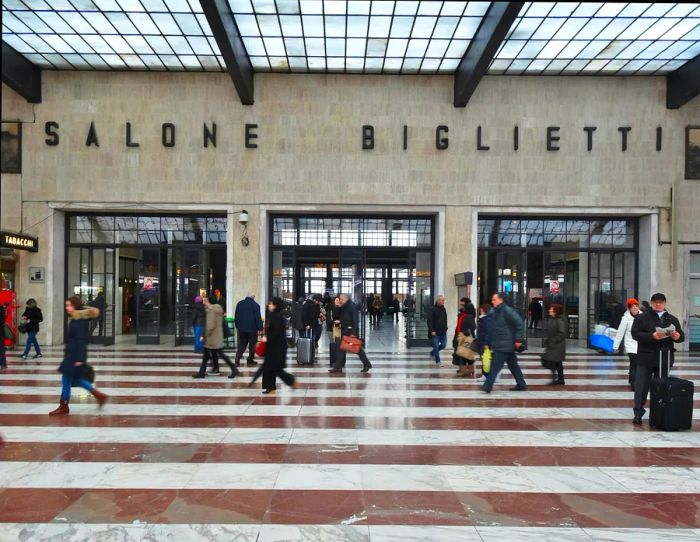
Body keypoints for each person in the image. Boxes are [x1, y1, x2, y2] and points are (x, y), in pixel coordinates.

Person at [630, 292, 684, 425]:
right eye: (655, 302)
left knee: (662, 387)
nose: (658, 304)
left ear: (665, 303)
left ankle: (659, 413)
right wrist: (652, 336)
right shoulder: (642, 318)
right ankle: (638, 413)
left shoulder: (671, 319)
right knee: (641, 387)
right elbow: (635, 334)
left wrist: (678, 337)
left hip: (664, 357)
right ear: (652, 303)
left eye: (660, 302)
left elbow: (681, 335)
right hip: (646, 358)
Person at [49, 296, 107, 415]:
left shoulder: (79, 320)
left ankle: (63, 406)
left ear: (75, 306)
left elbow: (81, 340)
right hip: (72, 354)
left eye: (69, 305)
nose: (67, 308)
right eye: (66, 305)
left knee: (66, 380)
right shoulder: (76, 318)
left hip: (74, 356)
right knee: (76, 380)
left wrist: (80, 358)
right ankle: (99, 395)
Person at [482, 293, 527, 394]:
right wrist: (488, 341)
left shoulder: (507, 311)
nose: (492, 301)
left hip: (504, 343)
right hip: (501, 343)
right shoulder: (494, 311)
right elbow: (492, 328)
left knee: (495, 365)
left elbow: (519, 323)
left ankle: (488, 385)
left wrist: (519, 340)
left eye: (494, 300)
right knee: (513, 365)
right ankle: (521, 384)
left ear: (500, 300)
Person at [192, 297, 239, 379]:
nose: (204, 303)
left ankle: (234, 369)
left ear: (209, 302)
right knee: (207, 356)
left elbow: (210, 325)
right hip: (217, 337)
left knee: (220, 355)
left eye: (206, 301)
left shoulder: (211, 311)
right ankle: (202, 373)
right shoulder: (218, 309)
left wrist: (204, 335)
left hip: (211, 338)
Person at [260, 297, 298, 395]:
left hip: (276, 347)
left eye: (271, 303)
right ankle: (271, 387)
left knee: (275, 368)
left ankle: (291, 381)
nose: (269, 305)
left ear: (275, 305)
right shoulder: (274, 315)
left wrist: (267, 338)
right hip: (274, 346)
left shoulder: (276, 316)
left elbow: (276, 332)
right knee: (270, 368)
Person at [329, 294, 372, 374]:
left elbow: (355, 320)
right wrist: (338, 307)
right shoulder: (344, 306)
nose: (340, 300)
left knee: (357, 349)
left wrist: (354, 333)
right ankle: (338, 366)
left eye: (341, 299)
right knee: (340, 348)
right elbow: (339, 316)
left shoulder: (352, 306)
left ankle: (367, 364)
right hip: (344, 330)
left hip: (350, 331)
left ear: (345, 298)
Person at [613, 298, 641, 390]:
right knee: (634, 363)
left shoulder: (643, 316)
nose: (635, 308)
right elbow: (620, 333)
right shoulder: (625, 318)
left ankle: (633, 379)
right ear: (629, 308)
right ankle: (634, 384)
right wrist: (616, 346)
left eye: (636, 306)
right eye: (632, 306)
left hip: (641, 344)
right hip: (630, 345)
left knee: (639, 364)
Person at [234, 291, 264, 367]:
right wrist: (260, 329)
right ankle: (250, 360)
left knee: (242, 343)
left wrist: (237, 326)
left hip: (241, 328)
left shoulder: (239, 304)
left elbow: (236, 315)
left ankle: (237, 358)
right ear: (253, 297)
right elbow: (258, 318)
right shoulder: (256, 305)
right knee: (252, 345)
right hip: (252, 329)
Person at [542, 303, 567, 386]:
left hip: (557, 345)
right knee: (558, 363)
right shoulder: (553, 319)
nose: (549, 310)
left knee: (552, 361)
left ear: (555, 311)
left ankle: (554, 379)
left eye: (551, 309)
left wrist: (553, 340)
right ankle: (560, 379)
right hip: (554, 344)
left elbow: (562, 333)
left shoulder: (559, 320)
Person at [452, 297, 477, 376]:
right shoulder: (462, 315)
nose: (461, 305)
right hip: (460, 336)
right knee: (461, 353)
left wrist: (464, 333)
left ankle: (465, 370)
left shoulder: (469, 316)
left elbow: (473, 327)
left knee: (465, 354)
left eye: (463, 304)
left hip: (466, 338)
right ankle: (466, 369)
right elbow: (458, 326)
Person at [427, 295, 448, 366]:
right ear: (438, 301)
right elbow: (429, 321)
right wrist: (432, 330)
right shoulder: (432, 309)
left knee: (443, 345)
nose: (443, 302)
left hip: (443, 331)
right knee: (436, 346)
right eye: (442, 300)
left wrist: (446, 327)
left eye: (444, 300)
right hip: (435, 332)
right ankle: (438, 361)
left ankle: (433, 352)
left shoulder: (444, 309)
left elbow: (445, 319)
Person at [475, 303, 493, 382]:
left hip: (484, 343)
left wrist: (486, 343)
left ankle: (486, 375)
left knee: (485, 359)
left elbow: (487, 332)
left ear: (483, 310)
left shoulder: (486, 319)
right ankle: (485, 375)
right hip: (483, 342)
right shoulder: (485, 319)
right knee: (485, 359)